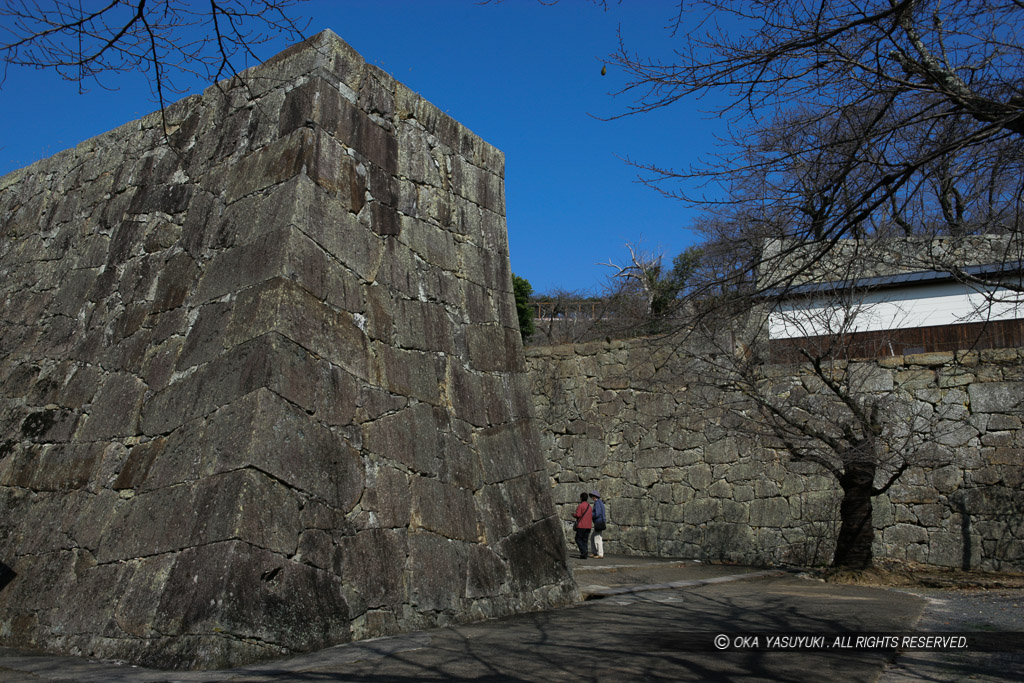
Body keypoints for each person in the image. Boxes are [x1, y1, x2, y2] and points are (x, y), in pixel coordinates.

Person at [572, 492, 592, 560]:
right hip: (588, 526)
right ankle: (584, 554)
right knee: (585, 540)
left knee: (578, 539)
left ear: (581, 498)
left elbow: (578, 515)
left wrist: (573, 514)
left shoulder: (581, 506)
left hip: (581, 525)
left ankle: (584, 551)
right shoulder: (589, 506)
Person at [589, 491, 606, 559]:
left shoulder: (598, 503)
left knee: (597, 538)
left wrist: (590, 515)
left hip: (598, 522)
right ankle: (595, 552)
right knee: (593, 537)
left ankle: (600, 553)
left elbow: (597, 513)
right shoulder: (599, 502)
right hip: (599, 522)